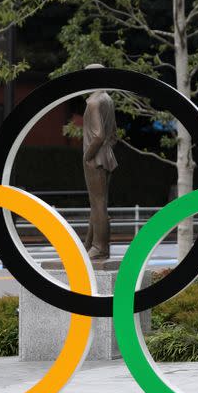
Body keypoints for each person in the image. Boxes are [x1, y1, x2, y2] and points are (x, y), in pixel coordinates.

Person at [82, 63, 118, 259]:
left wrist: (88, 155)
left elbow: (99, 135)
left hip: (95, 157)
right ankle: (89, 244)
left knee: (98, 203)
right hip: (107, 156)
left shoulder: (94, 102)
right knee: (98, 203)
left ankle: (99, 246)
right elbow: (113, 135)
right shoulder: (108, 99)